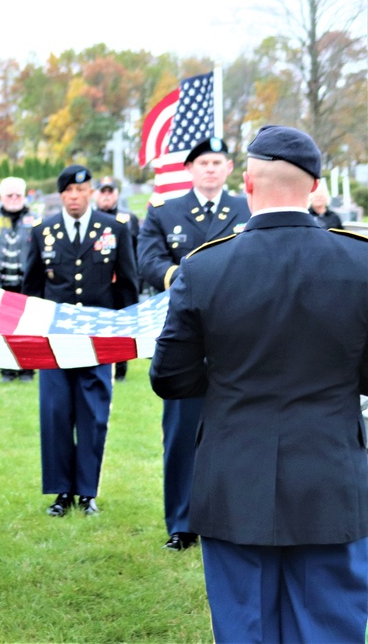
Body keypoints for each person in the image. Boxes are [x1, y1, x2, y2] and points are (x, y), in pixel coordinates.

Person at [149, 125, 368, 642]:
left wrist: (231, 375)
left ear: (245, 183)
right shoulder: (360, 262)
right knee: (329, 628)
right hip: (330, 473)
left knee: (244, 627)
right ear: (315, 186)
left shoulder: (203, 268)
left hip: (233, 474)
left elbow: (172, 378)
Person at [137, 137, 252, 551]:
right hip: (186, 337)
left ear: (229, 168)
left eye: (217, 162)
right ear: (189, 169)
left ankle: (232, 517)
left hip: (238, 338)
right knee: (183, 433)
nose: (210, 169)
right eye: (203, 162)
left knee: (238, 430)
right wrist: (188, 282)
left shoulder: (246, 210)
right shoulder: (165, 213)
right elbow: (147, 261)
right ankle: (182, 524)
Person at [22, 166, 138, 518]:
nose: (74, 196)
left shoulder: (114, 229)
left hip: (98, 338)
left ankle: (87, 492)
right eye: (67, 190)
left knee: (93, 415)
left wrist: (122, 335)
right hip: (55, 341)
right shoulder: (44, 231)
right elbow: (33, 288)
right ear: (60, 195)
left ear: (91, 192)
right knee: (56, 414)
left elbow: (127, 286)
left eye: (80, 189)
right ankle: (61, 492)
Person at [0, 176, 37, 383]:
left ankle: (27, 370)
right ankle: (6, 370)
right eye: (9, 195)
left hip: (27, 284)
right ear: (1, 197)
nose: (14, 198)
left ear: (24, 196)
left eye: (18, 195)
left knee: (30, 329)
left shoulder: (34, 219)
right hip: (1, 285)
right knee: (2, 329)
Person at [93, 176, 139, 381]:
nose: (106, 196)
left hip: (120, 280)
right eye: (102, 191)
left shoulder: (128, 219)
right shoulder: (90, 219)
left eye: (110, 191)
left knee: (121, 323)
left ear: (116, 194)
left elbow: (136, 248)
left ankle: (120, 367)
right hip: (99, 280)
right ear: (96, 194)